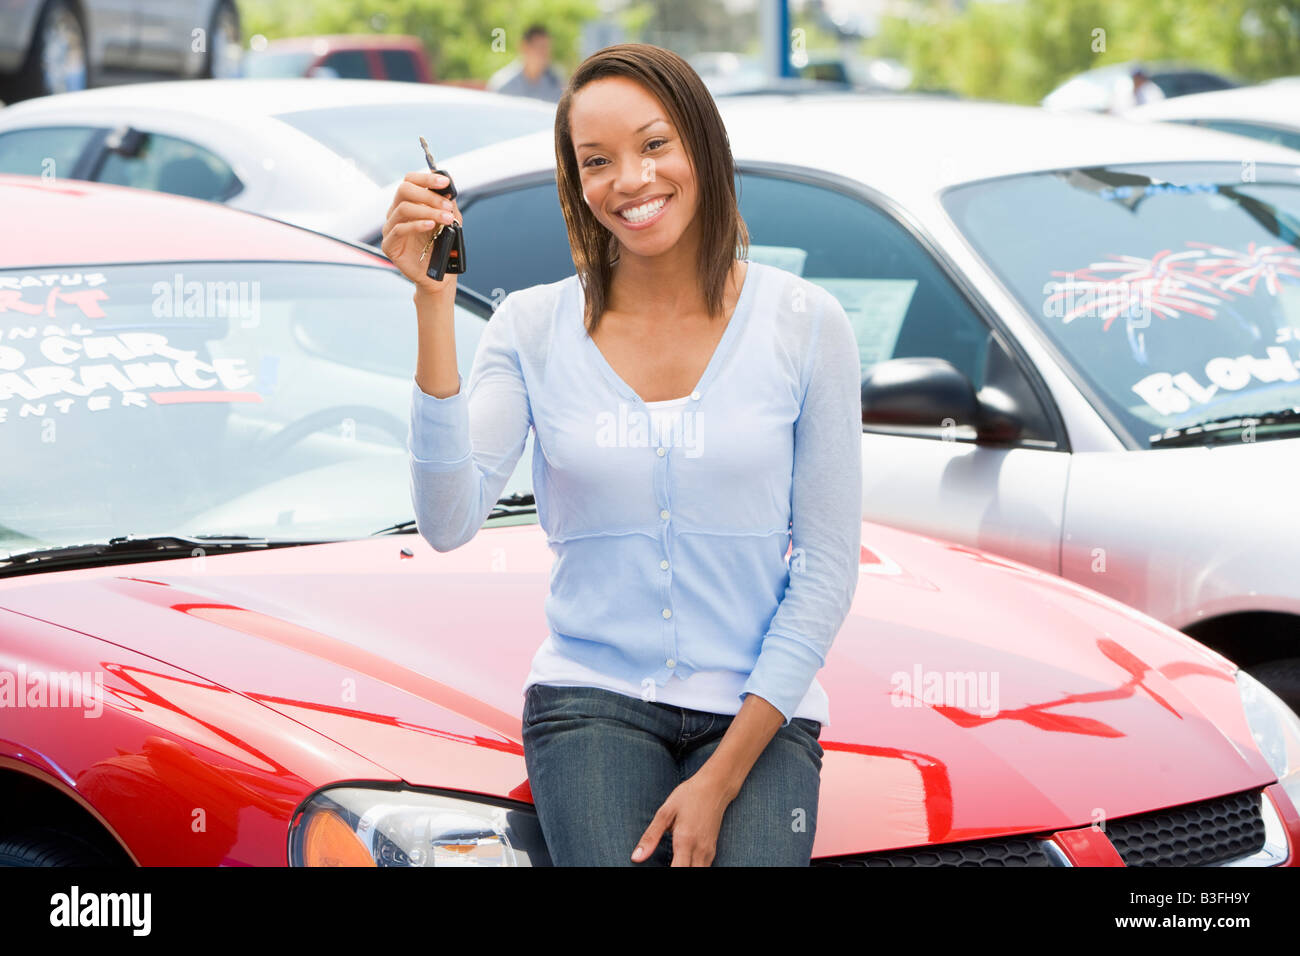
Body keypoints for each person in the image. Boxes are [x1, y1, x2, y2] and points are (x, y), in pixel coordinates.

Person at [381, 42, 862, 866]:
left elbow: (826, 568)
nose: (630, 182)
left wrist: (720, 779)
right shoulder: (531, 328)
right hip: (591, 703)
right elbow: (449, 518)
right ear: (576, 183)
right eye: (596, 161)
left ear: (701, 146)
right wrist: (431, 308)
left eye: (654, 145)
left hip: (758, 711)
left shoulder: (809, 325)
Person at [487, 23, 564, 102]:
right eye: (539, 47)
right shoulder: (502, 85)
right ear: (524, 47)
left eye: (547, 48)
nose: (544, 54)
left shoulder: (556, 85)